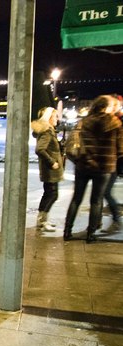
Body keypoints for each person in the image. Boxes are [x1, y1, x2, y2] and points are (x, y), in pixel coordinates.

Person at [64, 95, 123, 243]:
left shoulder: (85, 122)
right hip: (104, 168)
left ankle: (67, 231)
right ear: (106, 107)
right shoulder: (114, 123)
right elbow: (120, 149)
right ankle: (90, 235)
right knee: (96, 201)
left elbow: (78, 143)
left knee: (76, 199)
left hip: (84, 165)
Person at [32, 107, 64, 232]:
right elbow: (40, 149)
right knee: (52, 194)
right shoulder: (47, 131)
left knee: (49, 194)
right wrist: (52, 162)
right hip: (50, 169)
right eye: (55, 116)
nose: (57, 119)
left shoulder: (49, 130)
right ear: (49, 117)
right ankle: (42, 221)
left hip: (50, 169)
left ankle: (42, 220)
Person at [101, 96, 122, 233]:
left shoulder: (116, 121)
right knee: (104, 192)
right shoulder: (112, 120)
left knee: (105, 191)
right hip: (111, 162)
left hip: (114, 162)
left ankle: (116, 220)